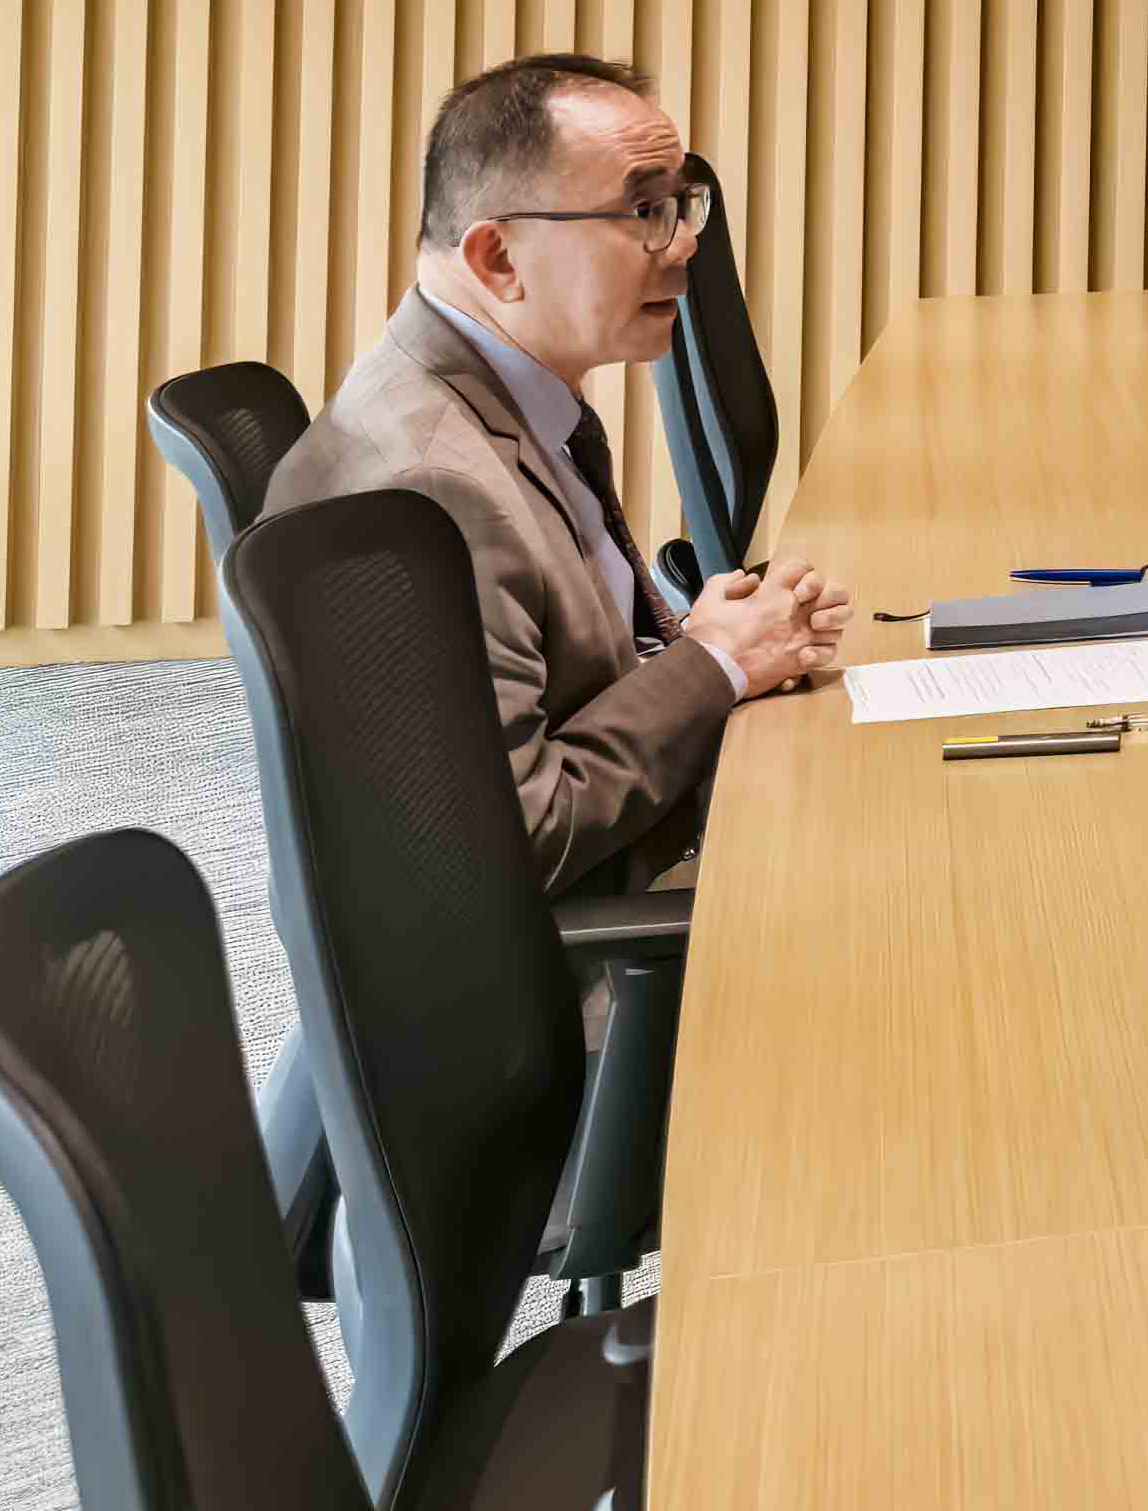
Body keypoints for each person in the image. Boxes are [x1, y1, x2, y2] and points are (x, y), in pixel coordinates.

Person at [267, 54, 849, 893]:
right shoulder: (432, 487)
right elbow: (517, 837)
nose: (686, 241)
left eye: (680, 204)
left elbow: (564, 683)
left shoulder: (510, 393)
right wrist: (715, 665)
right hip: (594, 940)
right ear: (498, 258)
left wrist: (709, 645)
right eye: (644, 211)